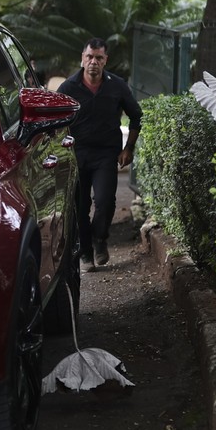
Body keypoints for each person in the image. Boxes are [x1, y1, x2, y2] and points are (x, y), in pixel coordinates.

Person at [57, 38, 142, 272]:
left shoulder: (117, 86)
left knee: (104, 201)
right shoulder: (68, 88)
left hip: (106, 154)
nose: (93, 62)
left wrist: (129, 148)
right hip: (76, 155)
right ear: (82, 58)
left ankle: (100, 239)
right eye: (89, 57)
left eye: (99, 58)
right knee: (80, 207)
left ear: (106, 61)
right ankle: (85, 252)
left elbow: (136, 116)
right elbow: (56, 123)